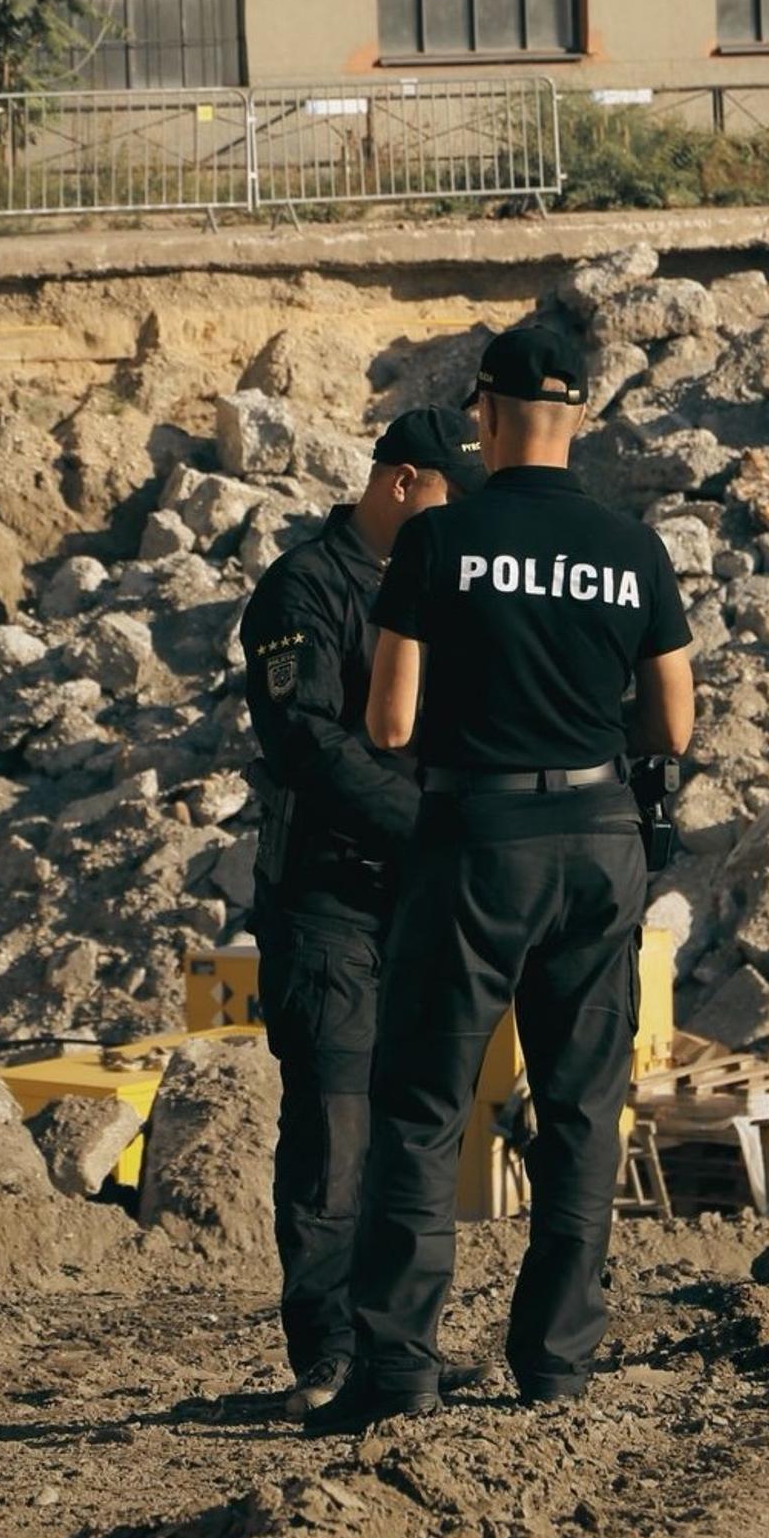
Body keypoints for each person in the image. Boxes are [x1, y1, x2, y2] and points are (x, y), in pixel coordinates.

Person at [307, 321, 697, 1435]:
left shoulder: (438, 543)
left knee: (423, 1108)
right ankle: (556, 1366)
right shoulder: (632, 548)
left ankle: (400, 1373)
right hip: (598, 838)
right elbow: (671, 720)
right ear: (578, 419)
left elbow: (387, 723)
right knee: (581, 1110)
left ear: (482, 414)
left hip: (475, 840)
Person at [236, 406, 488, 1418]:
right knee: (335, 1130)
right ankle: (329, 1351)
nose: (452, 522)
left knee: (414, 1133)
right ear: (398, 483)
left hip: (419, 898)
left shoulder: (441, 592)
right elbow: (306, 742)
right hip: (327, 901)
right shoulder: (303, 588)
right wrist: (425, 822)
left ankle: (401, 1346)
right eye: (441, 498)